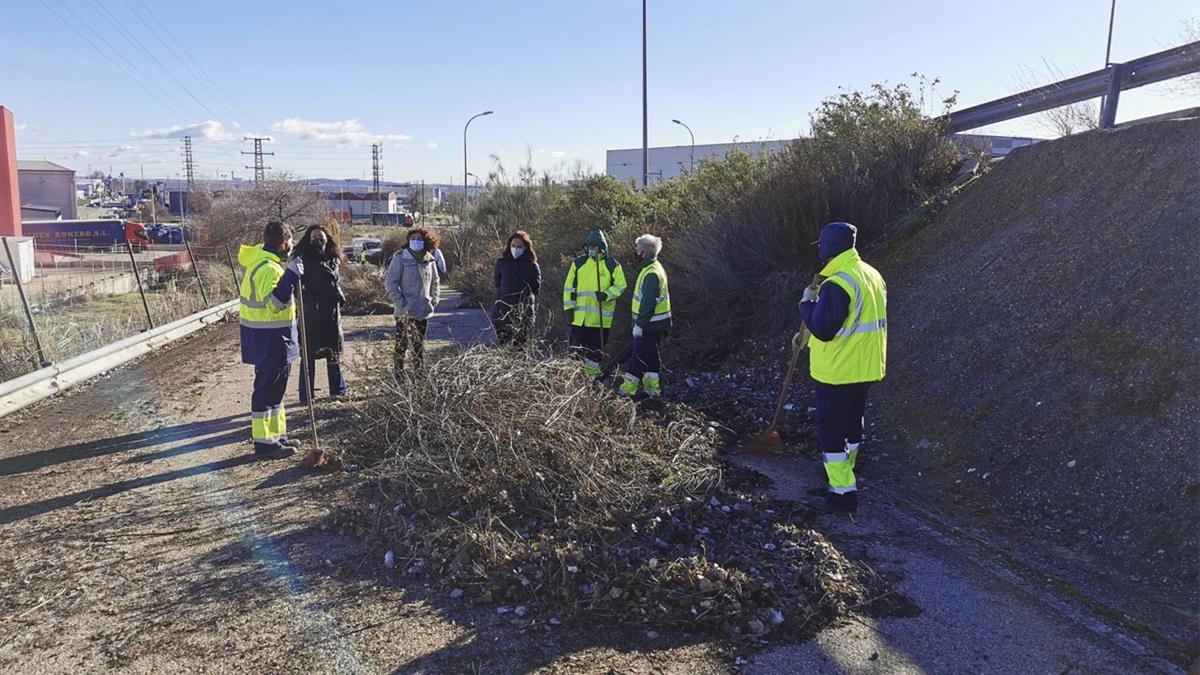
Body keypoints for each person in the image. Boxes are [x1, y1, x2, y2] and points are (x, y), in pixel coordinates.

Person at [796, 221, 888, 514]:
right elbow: (852, 324)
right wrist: (805, 336)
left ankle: (842, 494)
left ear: (827, 247)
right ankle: (845, 471)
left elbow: (825, 329)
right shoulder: (871, 274)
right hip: (865, 367)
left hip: (839, 371)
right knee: (851, 425)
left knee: (831, 430)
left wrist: (806, 304)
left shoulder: (837, 283)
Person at [238, 221, 304, 460]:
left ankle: (277, 436)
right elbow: (274, 304)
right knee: (267, 392)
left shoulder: (262, 263)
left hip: (270, 340)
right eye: (290, 243)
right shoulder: (268, 269)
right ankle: (265, 444)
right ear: (284, 244)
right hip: (271, 341)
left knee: (276, 392)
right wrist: (291, 276)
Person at [291, 224, 348, 403]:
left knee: (333, 353)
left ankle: (338, 392)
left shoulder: (334, 258)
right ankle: (306, 395)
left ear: (327, 239)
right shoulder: (301, 259)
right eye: (314, 237)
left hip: (331, 313)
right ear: (309, 240)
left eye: (321, 237)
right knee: (308, 356)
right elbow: (296, 286)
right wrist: (308, 302)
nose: (318, 240)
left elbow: (335, 281)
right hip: (311, 315)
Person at [562, 228, 626, 380]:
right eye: (589, 247)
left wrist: (607, 295)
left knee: (594, 354)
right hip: (579, 319)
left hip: (599, 321)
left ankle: (591, 380)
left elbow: (620, 285)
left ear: (602, 248)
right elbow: (569, 287)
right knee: (575, 351)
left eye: (594, 247)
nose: (591, 250)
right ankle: (573, 379)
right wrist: (569, 308)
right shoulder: (579, 263)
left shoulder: (612, 265)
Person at [619, 234, 671, 399]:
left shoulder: (651, 273)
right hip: (655, 325)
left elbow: (648, 303)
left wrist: (639, 325)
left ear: (644, 252)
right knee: (651, 358)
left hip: (649, 326)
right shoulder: (654, 268)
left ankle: (626, 392)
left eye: (637, 249)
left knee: (638, 358)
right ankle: (652, 390)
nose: (635, 252)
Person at [385, 227, 441, 374]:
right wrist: (401, 303)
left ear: (426, 241)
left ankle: (419, 375)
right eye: (412, 238)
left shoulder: (429, 259)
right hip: (405, 311)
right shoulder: (400, 258)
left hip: (423, 310)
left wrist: (434, 299)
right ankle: (399, 375)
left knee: (419, 345)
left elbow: (435, 281)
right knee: (401, 345)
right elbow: (390, 283)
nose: (415, 241)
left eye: (419, 239)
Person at [492, 230, 542, 346]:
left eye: (519, 246)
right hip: (503, 312)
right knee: (503, 344)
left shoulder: (532, 265)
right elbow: (497, 283)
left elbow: (536, 287)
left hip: (524, 312)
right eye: (513, 246)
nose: (515, 249)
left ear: (525, 247)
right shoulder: (502, 263)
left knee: (520, 347)